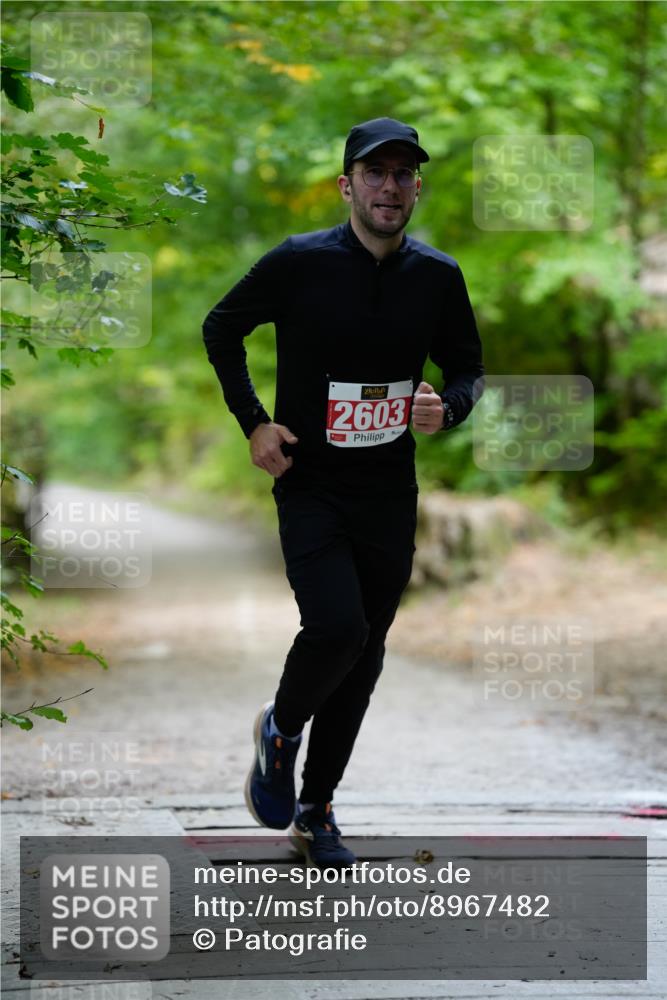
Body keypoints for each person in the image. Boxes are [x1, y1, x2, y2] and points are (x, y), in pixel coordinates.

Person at [202, 117, 484, 870]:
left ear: (416, 188)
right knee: (336, 628)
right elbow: (221, 327)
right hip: (310, 482)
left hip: (388, 488)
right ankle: (280, 730)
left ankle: (315, 809)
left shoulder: (436, 276)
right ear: (346, 185)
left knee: (365, 655)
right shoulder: (298, 264)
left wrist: (445, 408)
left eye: (402, 174)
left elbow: (465, 370)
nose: (389, 186)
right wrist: (254, 425)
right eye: (374, 172)